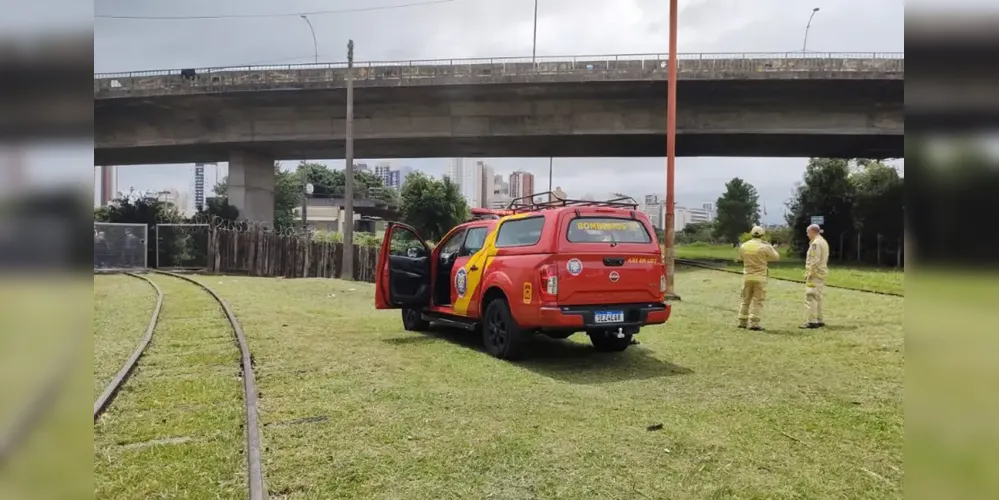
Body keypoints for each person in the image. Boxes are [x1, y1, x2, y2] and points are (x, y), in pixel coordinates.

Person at [736, 226, 780, 331]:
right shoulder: (764, 246)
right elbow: (776, 257)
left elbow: (740, 258)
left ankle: (742, 321)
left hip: (747, 276)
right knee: (757, 301)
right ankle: (754, 323)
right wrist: (770, 247)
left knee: (745, 300)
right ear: (762, 235)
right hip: (760, 278)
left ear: (751, 234)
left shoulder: (744, 246)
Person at [801, 223, 830, 329]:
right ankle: (819, 319)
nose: (807, 235)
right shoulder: (823, 241)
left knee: (811, 296)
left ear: (812, 232)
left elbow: (814, 260)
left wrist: (809, 274)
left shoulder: (815, 244)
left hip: (815, 274)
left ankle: (812, 321)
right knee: (818, 297)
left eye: (808, 232)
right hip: (821, 273)